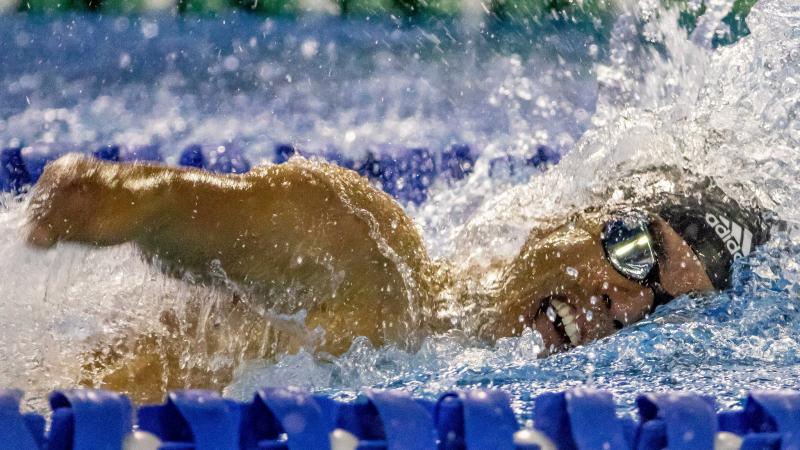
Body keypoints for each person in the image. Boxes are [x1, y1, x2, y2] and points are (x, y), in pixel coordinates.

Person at [25, 153, 770, 402]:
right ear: (587, 214)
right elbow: (188, 209)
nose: (624, 302)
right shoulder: (374, 262)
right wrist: (130, 204)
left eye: (661, 308)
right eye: (636, 253)